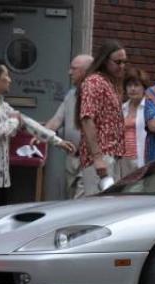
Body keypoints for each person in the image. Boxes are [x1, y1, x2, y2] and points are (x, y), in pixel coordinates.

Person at [0, 58, 74, 212]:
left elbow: (26, 122)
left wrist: (57, 141)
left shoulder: (0, 103)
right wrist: (14, 120)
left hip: (1, 176)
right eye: (6, 76)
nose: (10, 80)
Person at [76, 40, 127, 195]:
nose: (122, 66)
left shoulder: (109, 82)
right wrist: (97, 158)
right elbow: (86, 117)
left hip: (112, 155)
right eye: (118, 62)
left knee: (110, 207)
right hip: (101, 156)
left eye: (124, 62)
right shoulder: (94, 81)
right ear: (105, 61)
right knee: (98, 208)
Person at [43, 54, 94, 199]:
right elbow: (55, 121)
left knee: (82, 203)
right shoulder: (71, 95)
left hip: (90, 161)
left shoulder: (97, 96)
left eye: (73, 68)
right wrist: (41, 133)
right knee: (72, 201)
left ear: (85, 71)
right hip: (72, 161)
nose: (69, 72)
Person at [119, 67, 149, 177]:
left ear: (144, 87)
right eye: (129, 85)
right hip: (124, 159)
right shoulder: (122, 108)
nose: (132, 89)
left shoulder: (149, 108)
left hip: (142, 158)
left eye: (136, 85)